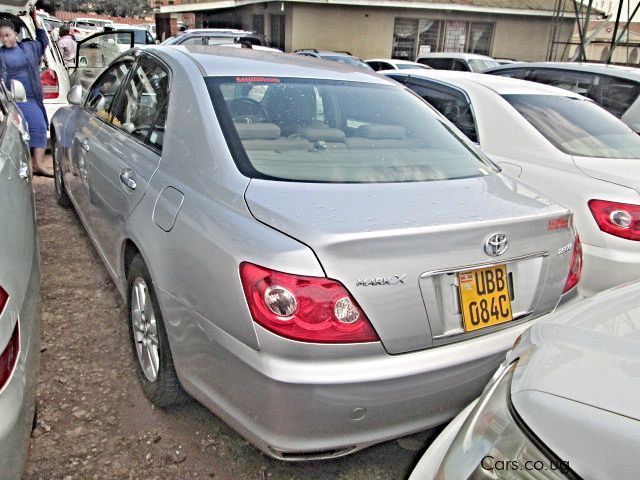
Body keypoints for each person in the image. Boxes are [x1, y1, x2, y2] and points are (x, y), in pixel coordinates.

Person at [0, 9, 52, 177]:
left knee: (40, 128)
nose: (4, 39)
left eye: (7, 35)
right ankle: (18, 170)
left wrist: (35, 18)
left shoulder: (29, 48)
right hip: (12, 99)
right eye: (1, 36)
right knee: (16, 135)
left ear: (16, 33)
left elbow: (43, 40)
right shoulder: (0, 54)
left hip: (31, 99)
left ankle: (37, 165)